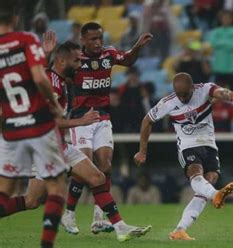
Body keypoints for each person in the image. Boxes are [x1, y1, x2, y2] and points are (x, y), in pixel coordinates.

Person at [2, 38, 151, 241]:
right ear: (63, 62)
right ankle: (74, 217)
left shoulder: (58, 80)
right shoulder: (52, 86)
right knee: (32, 201)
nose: (80, 66)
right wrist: (81, 121)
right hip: (44, 148)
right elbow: (48, 122)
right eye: (76, 61)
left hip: (58, 146)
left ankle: (120, 226)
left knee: (97, 178)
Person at [63, 22, 152, 234]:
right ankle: (69, 214)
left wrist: (137, 46)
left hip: (102, 117)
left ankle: (98, 218)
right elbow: (60, 76)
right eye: (93, 39)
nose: (98, 43)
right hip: (81, 118)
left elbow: (128, 59)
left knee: (105, 166)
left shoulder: (108, 54)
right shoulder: (76, 60)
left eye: (100, 38)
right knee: (84, 166)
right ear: (83, 40)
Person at [134, 72, 233, 240]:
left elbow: (219, 92)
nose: (182, 98)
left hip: (209, 144)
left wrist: (227, 94)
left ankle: (179, 230)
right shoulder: (168, 103)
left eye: (185, 94)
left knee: (208, 182)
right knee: (196, 173)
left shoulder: (203, 89)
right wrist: (142, 151)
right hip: (188, 145)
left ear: (192, 87)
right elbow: (147, 121)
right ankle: (215, 195)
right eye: (179, 95)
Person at [0, 2, 66, 247]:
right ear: (15, 19)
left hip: (10, 128)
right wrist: (55, 104)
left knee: (4, 190)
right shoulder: (25, 39)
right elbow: (38, 77)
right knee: (56, 186)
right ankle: (46, 244)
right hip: (39, 124)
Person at [209, 10, 233, 92]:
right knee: (218, 93)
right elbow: (213, 43)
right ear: (221, 19)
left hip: (231, 68)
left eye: (228, 18)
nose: (226, 20)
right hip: (218, 68)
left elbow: (232, 45)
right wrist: (226, 42)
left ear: (231, 19)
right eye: (224, 18)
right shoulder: (215, 31)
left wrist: (220, 43)